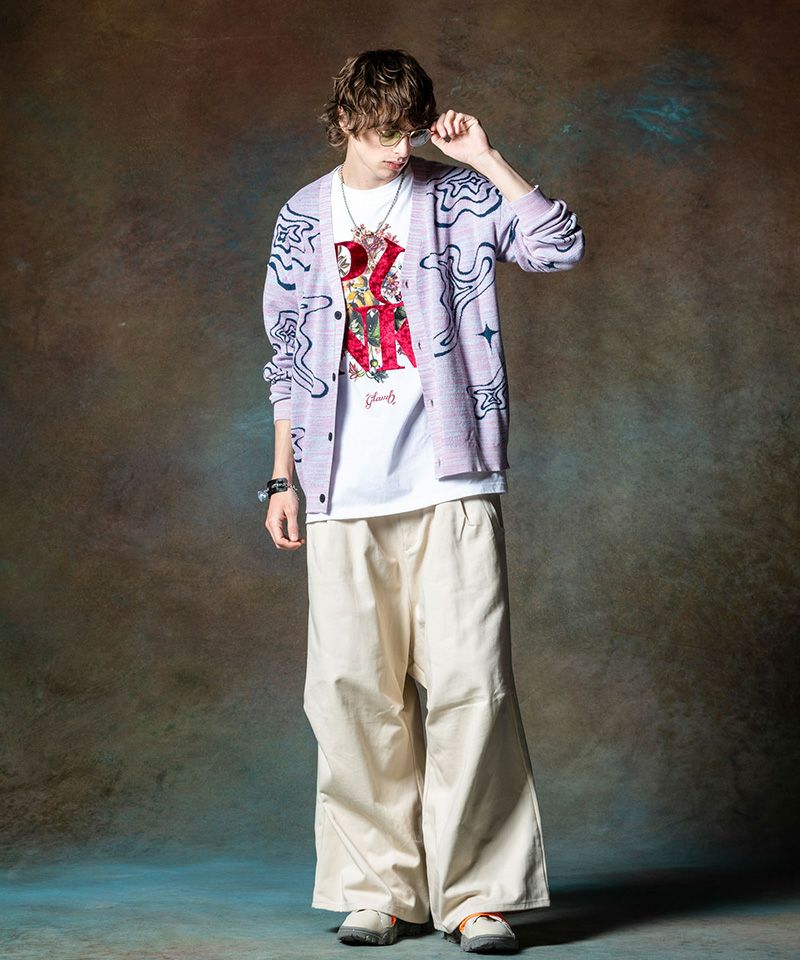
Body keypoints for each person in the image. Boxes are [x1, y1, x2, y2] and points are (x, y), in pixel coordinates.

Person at [260, 49, 585, 954]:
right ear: (343, 122)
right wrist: (283, 478)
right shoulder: (303, 217)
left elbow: (557, 247)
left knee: (471, 686)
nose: (397, 148)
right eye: (378, 131)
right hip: (340, 490)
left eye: (406, 130)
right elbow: (287, 355)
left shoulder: (458, 196)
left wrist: (484, 156)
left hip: (453, 479)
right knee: (350, 692)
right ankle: (380, 889)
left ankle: (477, 895)